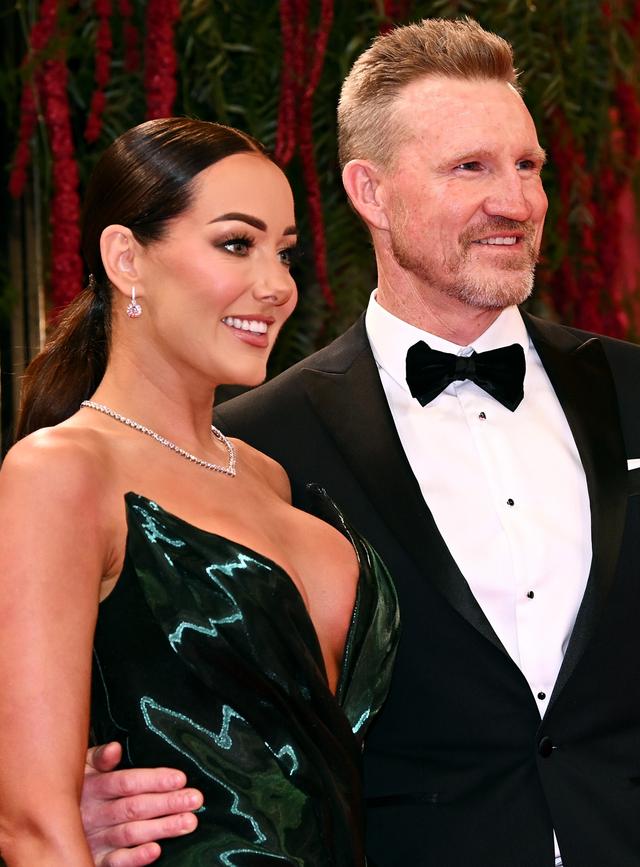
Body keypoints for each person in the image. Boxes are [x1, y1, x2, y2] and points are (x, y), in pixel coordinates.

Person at [80, 17, 640, 867]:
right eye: (471, 167)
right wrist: (83, 796)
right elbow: (169, 690)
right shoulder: (248, 447)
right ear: (371, 192)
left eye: (526, 164)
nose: (518, 199)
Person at [0, 117, 400, 866]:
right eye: (235, 244)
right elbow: (33, 827)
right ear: (127, 259)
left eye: (284, 251)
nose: (277, 285)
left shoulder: (267, 473)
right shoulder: (60, 472)